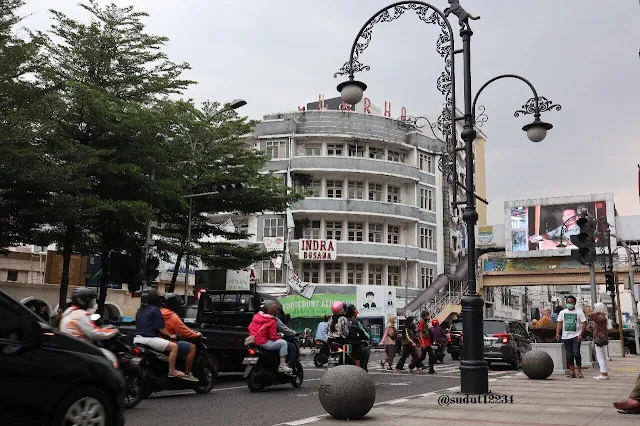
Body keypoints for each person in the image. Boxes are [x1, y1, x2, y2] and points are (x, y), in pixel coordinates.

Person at [133, 289, 186, 379]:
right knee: (174, 347)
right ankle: (172, 371)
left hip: (137, 339)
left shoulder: (139, 310)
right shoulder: (155, 310)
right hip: (149, 339)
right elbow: (161, 328)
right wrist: (171, 335)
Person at [161, 293, 201, 381]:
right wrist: (197, 334)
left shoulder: (158, 312)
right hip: (169, 342)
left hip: (157, 341)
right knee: (192, 347)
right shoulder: (172, 316)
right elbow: (185, 331)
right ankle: (187, 373)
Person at [248, 300, 292, 374]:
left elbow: (250, 328)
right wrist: (279, 337)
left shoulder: (256, 317)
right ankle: (282, 365)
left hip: (253, 340)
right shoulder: (271, 320)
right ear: (273, 311)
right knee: (283, 343)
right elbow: (272, 337)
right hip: (263, 342)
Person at [555, 295, 587, 378]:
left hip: (576, 336)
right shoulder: (562, 312)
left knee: (576, 353)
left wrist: (581, 334)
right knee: (569, 354)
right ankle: (572, 371)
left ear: (574, 303)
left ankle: (579, 371)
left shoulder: (579, 312)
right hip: (566, 337)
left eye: (571, 302)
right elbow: (559, 323)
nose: (569, 304)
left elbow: (584, 324)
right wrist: (557, 333)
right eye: (568, 302)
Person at [589, 302, 609, 381]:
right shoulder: (602, 317)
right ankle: (604, 372)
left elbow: (590, 315)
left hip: (600, 338)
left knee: (600, 357)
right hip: (600, 337)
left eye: (595, 308)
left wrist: (596, 312)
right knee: (602, 356)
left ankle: (603, 373)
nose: (594, 309)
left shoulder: (601, 317)